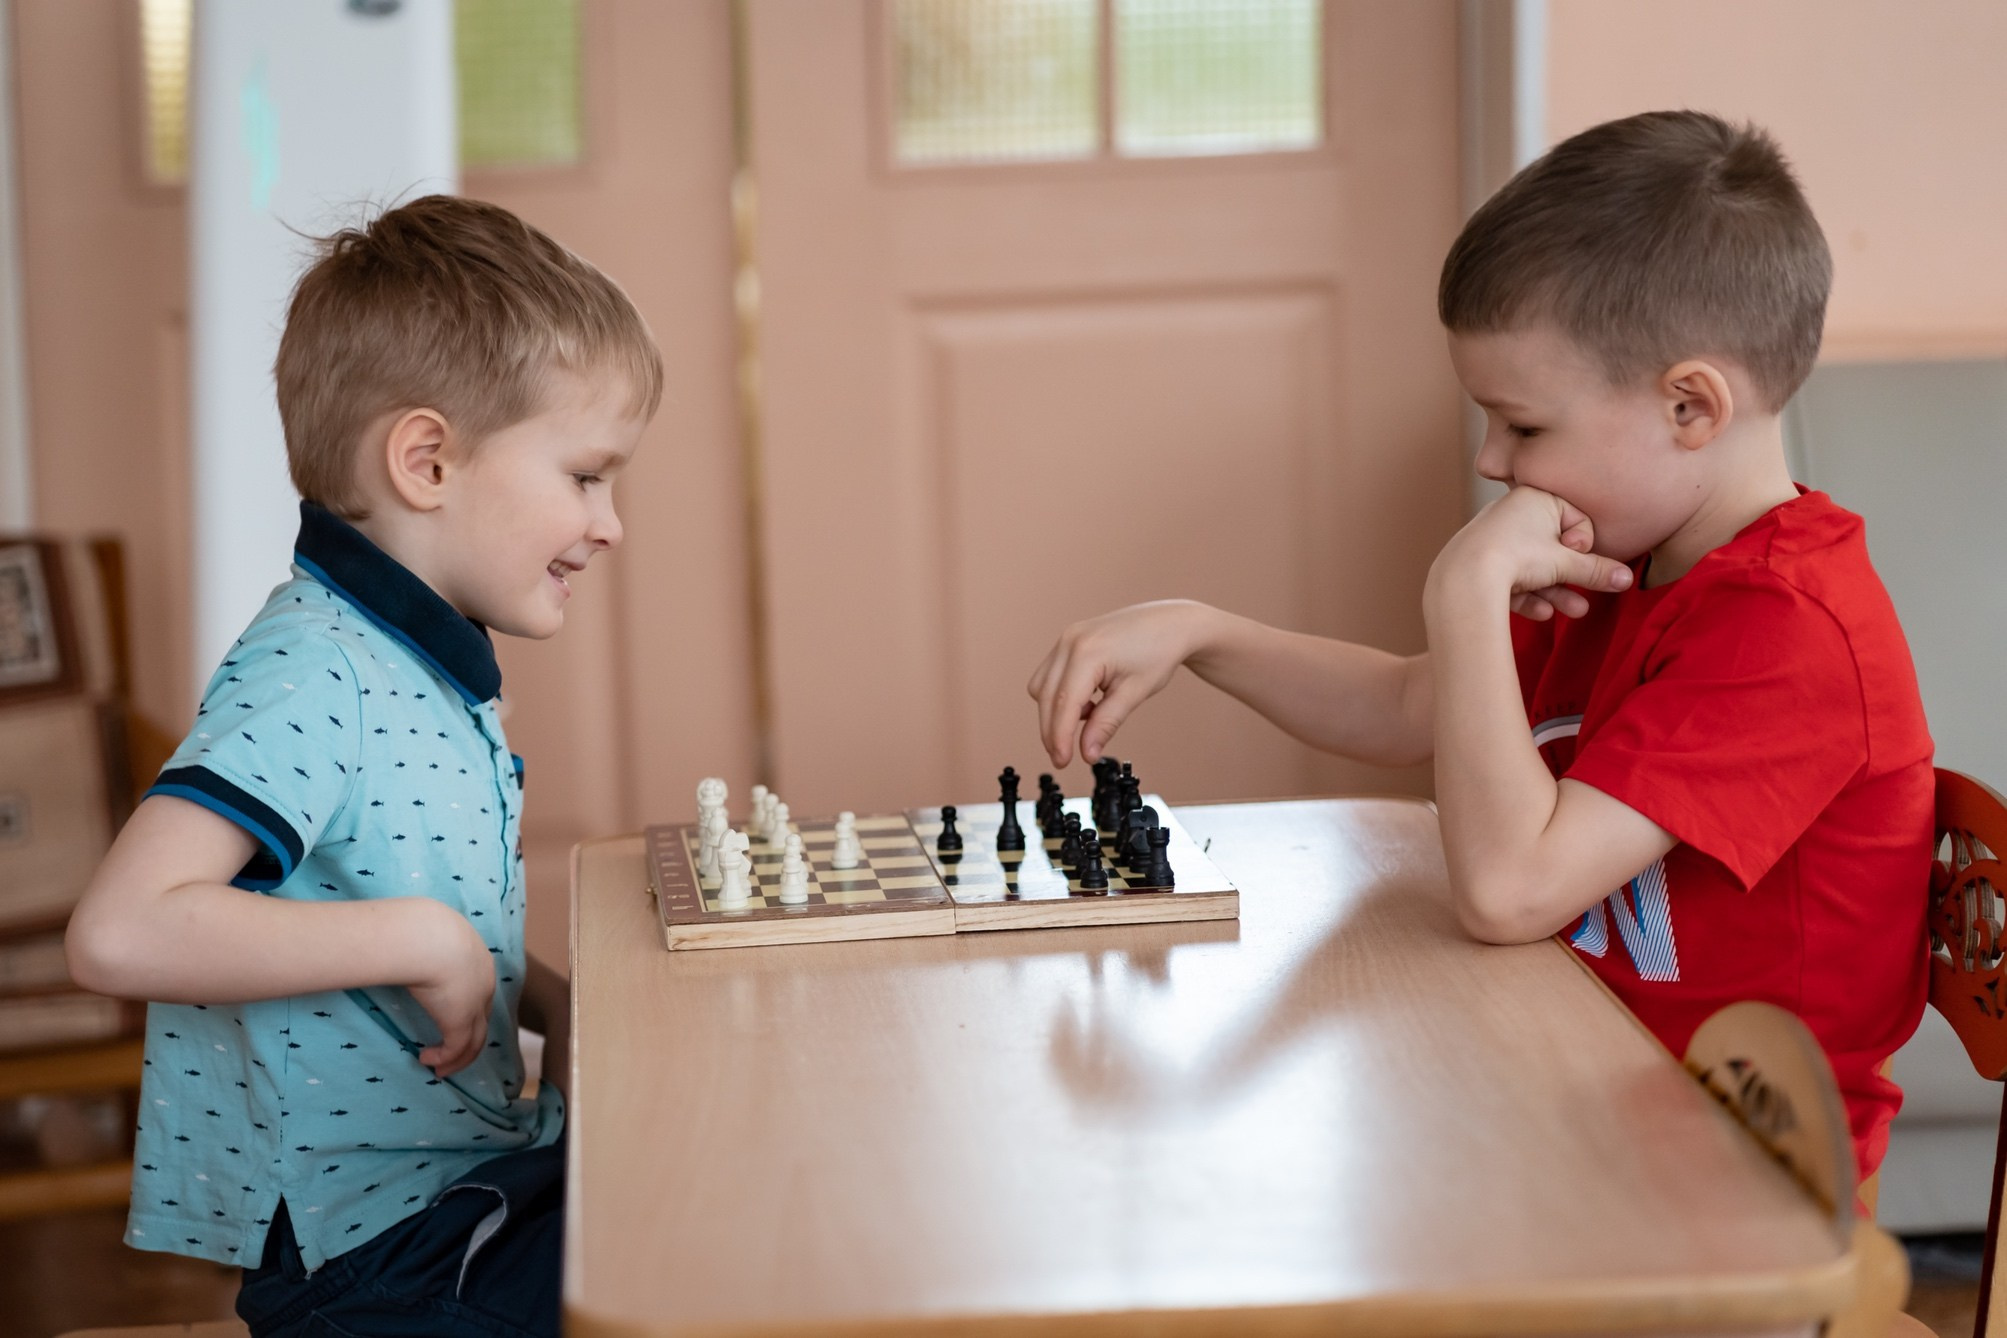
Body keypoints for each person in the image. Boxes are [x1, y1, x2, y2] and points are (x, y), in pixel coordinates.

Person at [1027, 110, 1931, 1183]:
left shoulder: (1789, 628)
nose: (1493, 459)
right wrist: (1203, 632)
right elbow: (1420, 705)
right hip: (1573, 1094)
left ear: (1691, 405)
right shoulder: (1629, 558)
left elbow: (1510, 892)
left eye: (1524, 425)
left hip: (1740, 1186)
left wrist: (1462, 586)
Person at [65, 194, 661, 1337]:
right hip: (382, 1261)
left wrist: (542, 996)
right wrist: (424, 941)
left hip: (454, 1200)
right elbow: (122, 930)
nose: (612, 523)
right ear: (428, 460)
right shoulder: (315, 669)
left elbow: (374, 885)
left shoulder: (411, 658)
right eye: (587, 476)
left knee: (700, 1191)